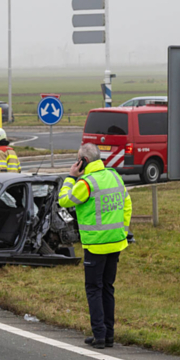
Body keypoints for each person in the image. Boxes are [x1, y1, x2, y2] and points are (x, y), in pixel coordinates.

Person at [59, 143, 132, 349]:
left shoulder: (86, 183)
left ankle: (99, 335)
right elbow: (127, 204)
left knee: (94, 289)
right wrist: (123, 230)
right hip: (116, 242)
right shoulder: (114, 176)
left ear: (83, 161)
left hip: (96, 244)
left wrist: (71, 177)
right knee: (108, 288)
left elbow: (64, 200)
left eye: (78, 159)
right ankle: (109, 335)